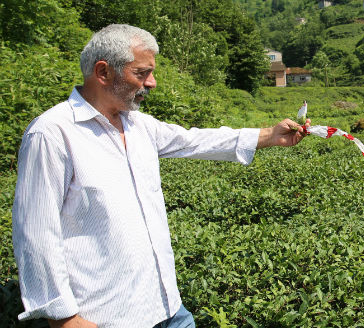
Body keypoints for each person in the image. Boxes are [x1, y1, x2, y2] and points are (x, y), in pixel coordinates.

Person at [12, 24, 310, 328]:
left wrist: (269, 135)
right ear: (103, 72)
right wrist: (64, 318)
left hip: (167, 306)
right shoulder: (52, 134)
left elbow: (194, 140)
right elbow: (36, 234)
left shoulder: (138, 125)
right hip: (107, 317)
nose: (151, 83)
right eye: (141, 73)